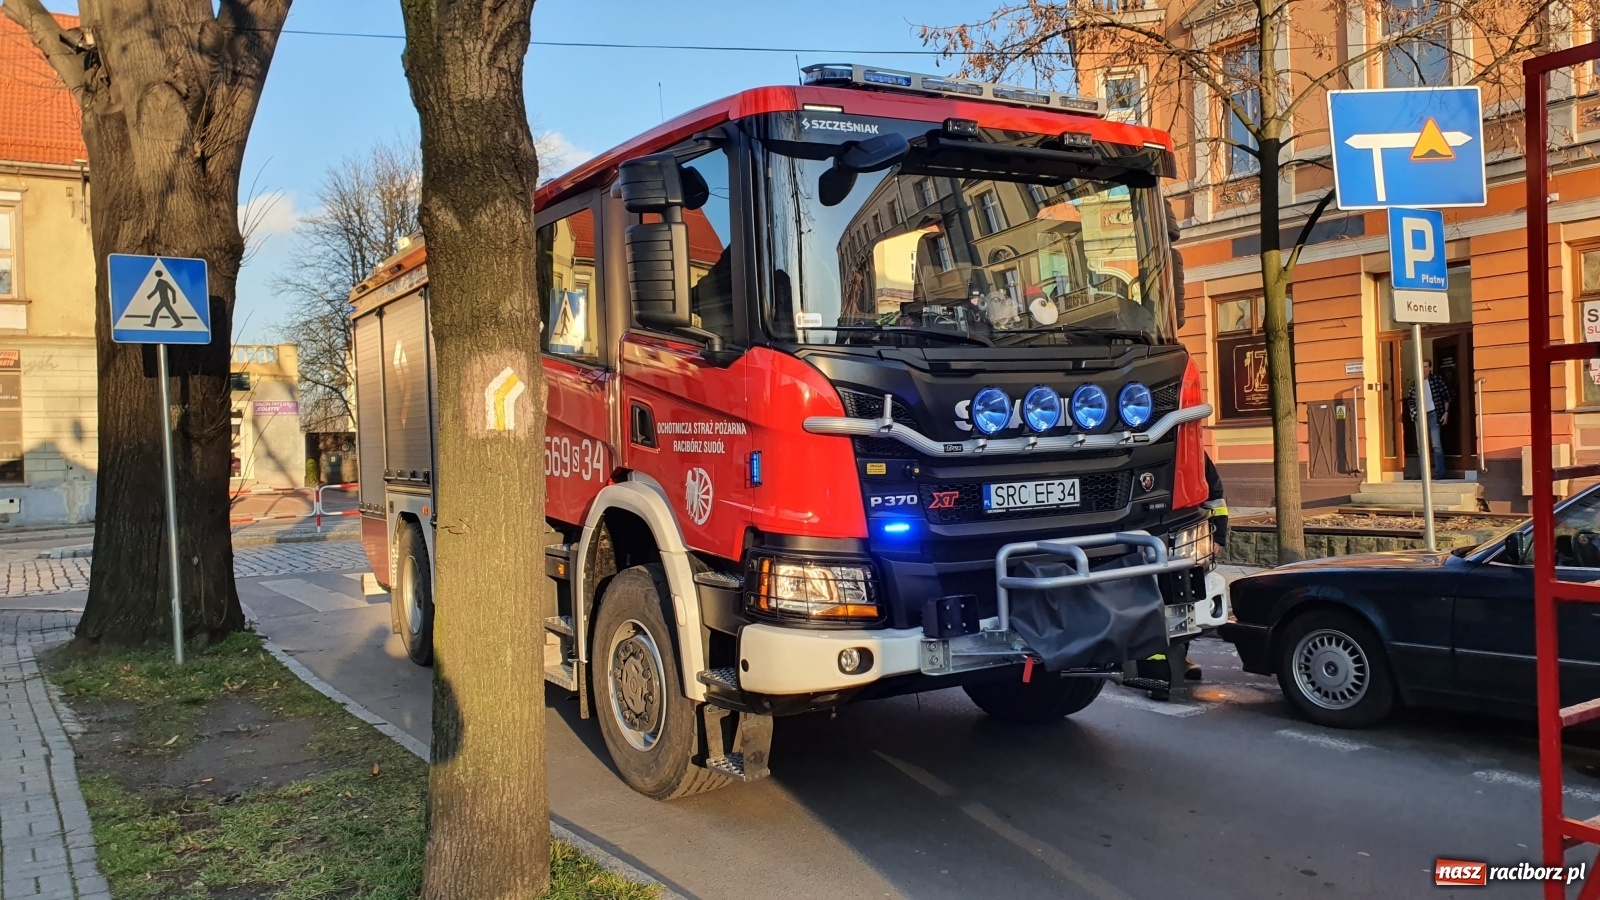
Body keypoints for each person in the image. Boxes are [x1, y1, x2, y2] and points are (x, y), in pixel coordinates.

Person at [1405, 360, 1452, 480]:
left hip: (1434, 414)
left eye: (1426, 367)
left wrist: (1446, 413)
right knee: (1421, 446)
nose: (1424, 369)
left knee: (1436, 444)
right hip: (1420, 415)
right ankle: (1424, 474)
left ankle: (1439, 473)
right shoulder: (1415, 383)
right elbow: (1410, 400)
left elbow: (1446, 396)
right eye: (1421, 367)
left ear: (1430, 368)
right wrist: (1414, 412)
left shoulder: (1437, 380)